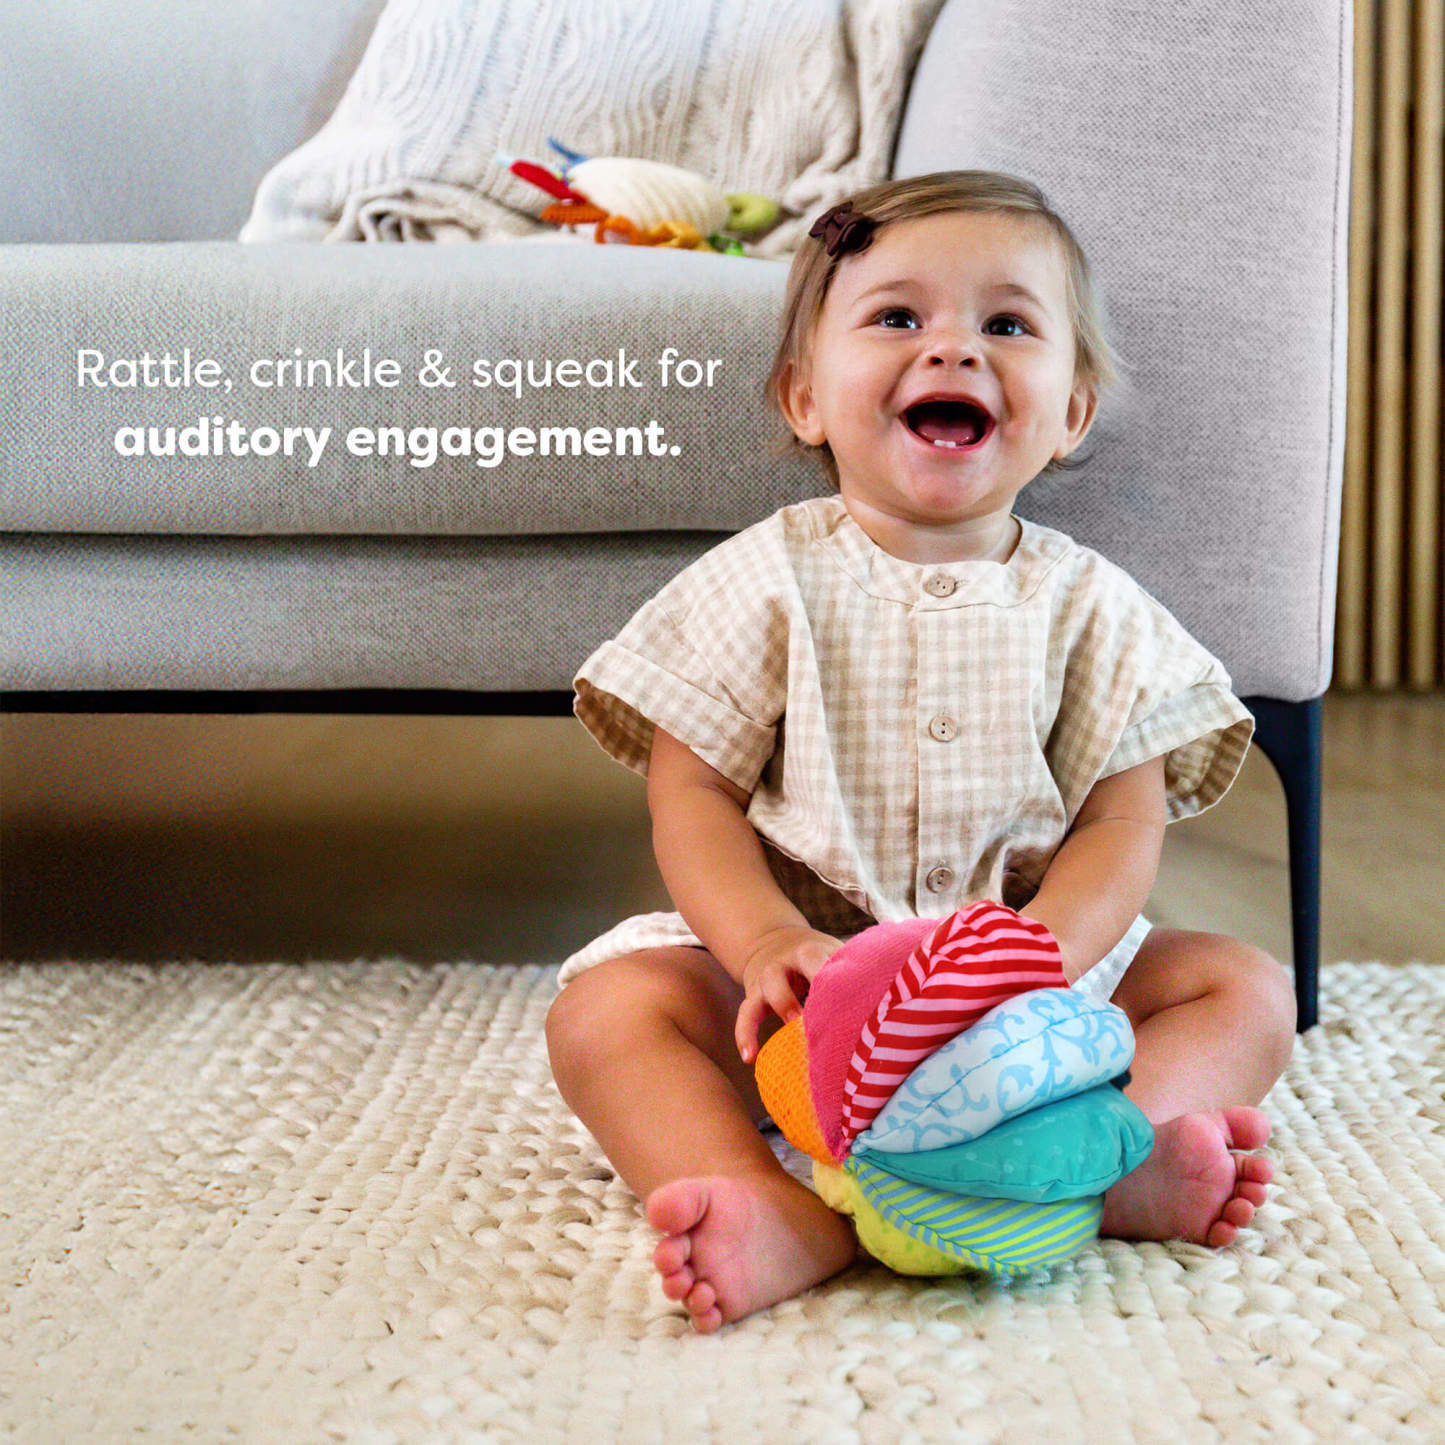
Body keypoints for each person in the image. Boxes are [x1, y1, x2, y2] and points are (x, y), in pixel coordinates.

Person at [544, 171, 1297, 1334]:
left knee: (1243, 988)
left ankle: (1100, 1163)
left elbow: (1118, 819)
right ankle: (768, 1204)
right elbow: (688, 786)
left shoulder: (1091, 606)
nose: (951, 350)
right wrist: (759, 943)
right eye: (897, 318)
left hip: (1025, 992)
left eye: (1005, 324)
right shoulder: (766, 579)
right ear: (804, 395)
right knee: (607, 1010)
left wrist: (1039, 954)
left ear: (1072, 410)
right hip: (798, 993)